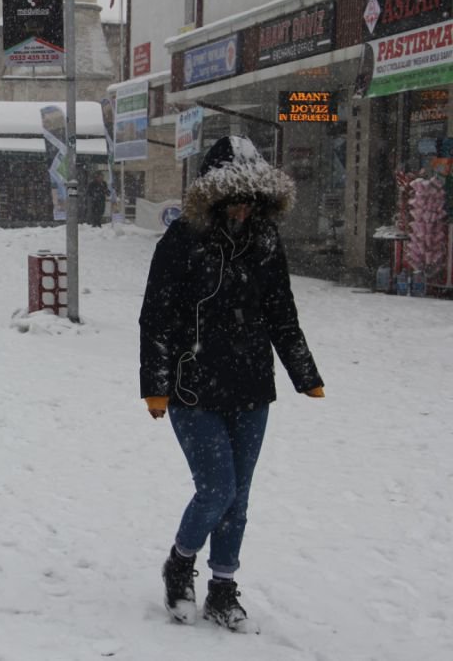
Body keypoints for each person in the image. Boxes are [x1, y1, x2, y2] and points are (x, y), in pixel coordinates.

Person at [139, 135, 324, 633]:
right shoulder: (181, 241)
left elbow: (281, 312)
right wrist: (155, 386)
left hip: (251, 389)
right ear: (214, 196)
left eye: (251, 199)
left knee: (238, 498)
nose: (243, 208)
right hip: (191, 388)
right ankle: (180, 563)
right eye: (234, 198)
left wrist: (304, 373)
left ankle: (222, 588)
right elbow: (155, 319)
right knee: (216, 489)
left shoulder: (265, 240)